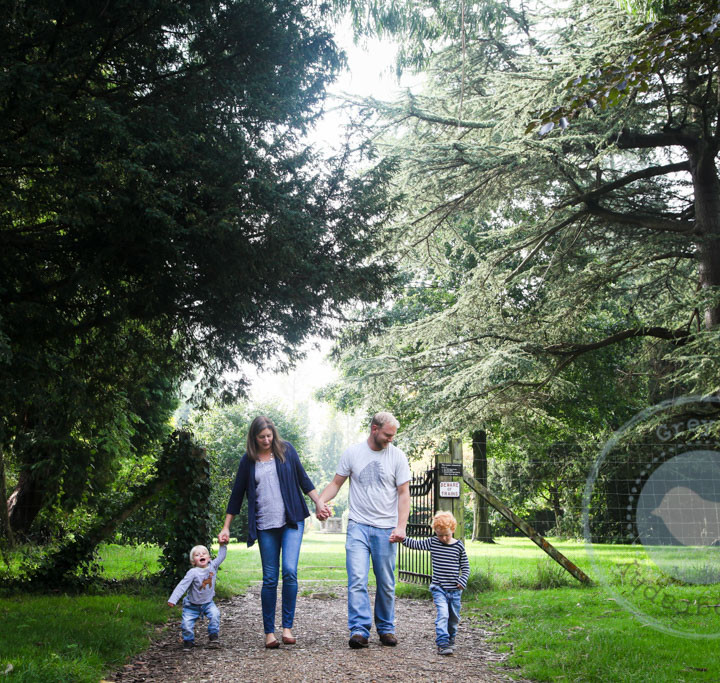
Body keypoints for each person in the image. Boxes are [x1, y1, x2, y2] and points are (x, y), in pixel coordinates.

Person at [218, 416, 330, 648]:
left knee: (289, 571)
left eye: (269, 436)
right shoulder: (248, 461)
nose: (266, 440)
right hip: (265, 525)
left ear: (273, 434)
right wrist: (226, 526)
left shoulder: (286, 451)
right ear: (254, 438)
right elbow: (236, 495)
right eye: (262, 437)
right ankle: (269, 632)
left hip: (292, 521)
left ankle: (287, 628)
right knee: (270, 578)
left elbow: (304, 479)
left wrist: (319, 502)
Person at [318, 411, 411, 649]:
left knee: (386, 582)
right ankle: (359, 630)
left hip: (386, 528)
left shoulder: (397, 457)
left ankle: (386, 628)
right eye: (388, 435)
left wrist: (401, 526)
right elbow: (336, 484)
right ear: (374, 429)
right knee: (357, 579)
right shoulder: (353, 453)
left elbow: (403, 493)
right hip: (358, 526)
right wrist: (321, 501)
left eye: (393, 435)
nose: (391, 439)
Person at [402, 511, 470, 655]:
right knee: (443, 614)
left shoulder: (459, 546)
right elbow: (416, 544)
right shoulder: (433, 542)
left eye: (446, 534)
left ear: (453, 529)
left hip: (455, 590)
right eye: (440, 535)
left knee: (453, 618)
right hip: (439, 588)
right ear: (435, 532)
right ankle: (442, 643)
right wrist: (402, 539)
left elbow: (465, 567)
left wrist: (462, 580)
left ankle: (451, 639)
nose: (443, 538)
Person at [168, 541, 228, 651]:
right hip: (191, 605)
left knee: (215, 615)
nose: (201, 555)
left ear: (209, 558)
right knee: (186, 624)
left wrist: (222, 545)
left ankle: (213, 636)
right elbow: (182, 586)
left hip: (208, 603)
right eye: (197, 555)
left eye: (204, 553)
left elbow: (221, 556)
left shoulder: (212, 567)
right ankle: (188, 641)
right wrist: (173, 599)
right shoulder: (192, 572)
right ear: (193, 561)